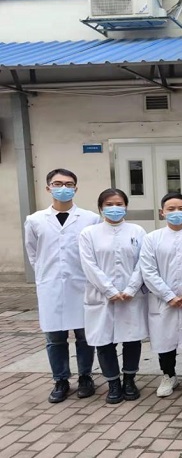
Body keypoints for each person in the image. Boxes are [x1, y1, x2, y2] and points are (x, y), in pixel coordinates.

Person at [24, 168, 101, 403]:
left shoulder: (90, 219)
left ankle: (85, 377)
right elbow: (33, 253)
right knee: (54, 338)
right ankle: (60, 380)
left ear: (76, 188)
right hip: (51, 286)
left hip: (82, 284)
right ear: (48, 188)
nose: (63, 188)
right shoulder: (35, 220)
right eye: (58, 184)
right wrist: (47, 274)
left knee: (84, 336)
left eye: (68, 184)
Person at [79, 188, 148, 404]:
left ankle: (129, 380)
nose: (114, 208)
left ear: (126, 206)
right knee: (104, 340)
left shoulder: (137, 231)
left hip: (131, 296)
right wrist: (109, 290)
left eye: (119, 204)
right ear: (100, 208)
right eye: (109, 204)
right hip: (101, 297)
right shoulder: (89, 234)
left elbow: (143, 263)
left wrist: (131, 288)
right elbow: (88, 265)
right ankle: (113, 383)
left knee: (132, 339)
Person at [140, 193, 182, 398]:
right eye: (170, 209)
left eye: (181, 208)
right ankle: (168, 375)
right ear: (162, 213)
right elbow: (148, 271)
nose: (176, 212)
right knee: (165, 339)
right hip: (163, 300)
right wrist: (168, 295)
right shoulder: (152, 238)